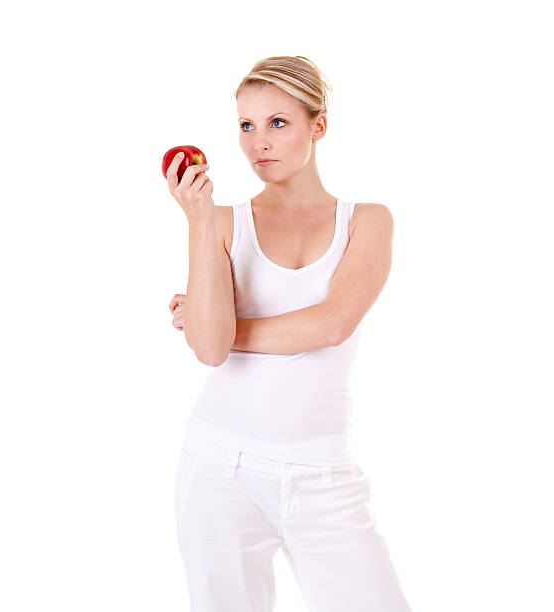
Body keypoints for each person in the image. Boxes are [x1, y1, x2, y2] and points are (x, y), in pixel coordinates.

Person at [165, 55, 413, 612]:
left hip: (323, 474)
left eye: (278, 122)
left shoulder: (368, 220)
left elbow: (332, 323)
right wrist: (200, 221)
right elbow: (207, 350)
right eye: (246, 126)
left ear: (317, 125)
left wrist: (223, 325)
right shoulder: (224, 222)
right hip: (219, 466)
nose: (258, 143)